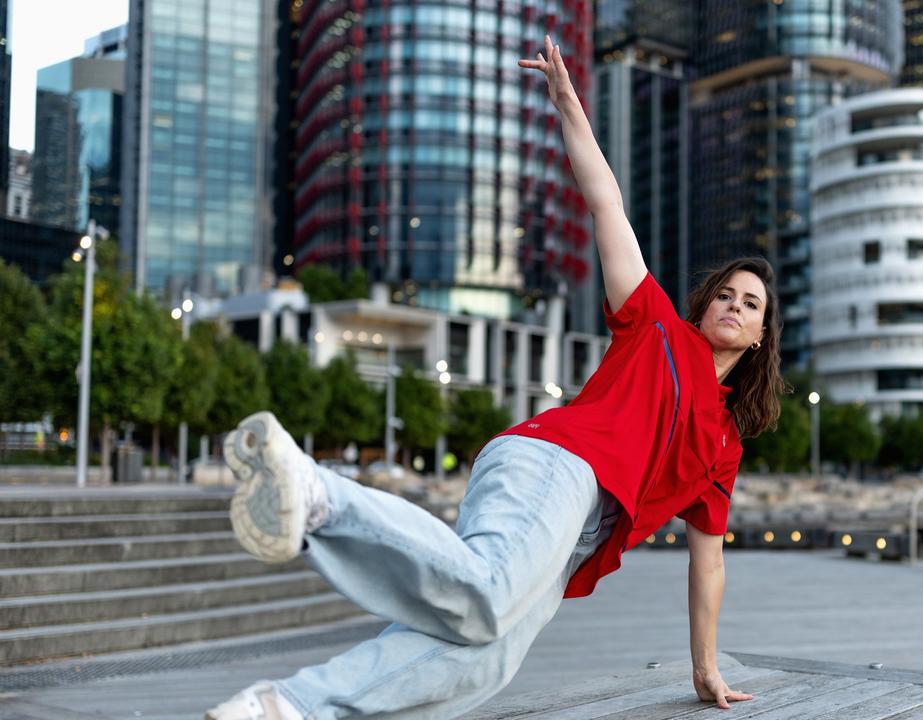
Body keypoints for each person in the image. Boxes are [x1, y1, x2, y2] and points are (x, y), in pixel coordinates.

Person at [206, 35, 785, 720]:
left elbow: (708, 563)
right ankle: (319, 493)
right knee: (486, 593)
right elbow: (607, 205)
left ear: (759, 337)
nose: (733, 306)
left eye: (750, 305)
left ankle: (287, 707)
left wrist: (705, 669)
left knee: (483, 657)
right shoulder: (658, 327)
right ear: (706, 302)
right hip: (555, 467)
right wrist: (569, 104)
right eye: (726, 293)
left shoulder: (723, 445)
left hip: (576, 536)